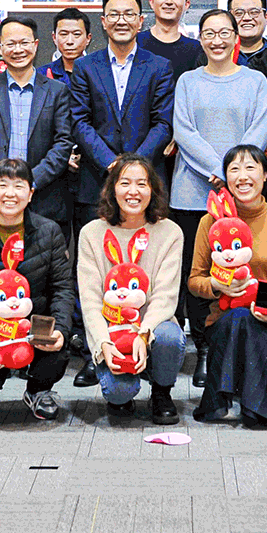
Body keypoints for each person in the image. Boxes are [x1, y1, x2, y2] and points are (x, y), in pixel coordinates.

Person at [170, 9, 267, 384]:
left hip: (241, 191)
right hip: (192, 191)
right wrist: (219, 168)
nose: (217, 40)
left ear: (235, 37)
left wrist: (233, 173)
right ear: (200, 38)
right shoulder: (187, 81)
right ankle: (204, 348)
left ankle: (238, 345)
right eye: (209, 33)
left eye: (224, 32)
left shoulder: (255, 80)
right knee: (200, 272)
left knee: (242, 268)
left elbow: (257, 130)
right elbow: (183, 130)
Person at [190, 145, 267, 428]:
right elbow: (194, 281)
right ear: (226, 178)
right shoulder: (211, 221)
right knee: (240, 317)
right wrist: (216, 286)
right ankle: (253, 405)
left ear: (265, 175)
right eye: (234, 169)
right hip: (224, 323)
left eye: (250, 168)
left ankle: (224, 399)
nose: (242, 176)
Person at [70, 0, 175, 291]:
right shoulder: (85, 66)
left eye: (129, 14)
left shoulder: (159, 66)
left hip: (146, 184)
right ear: (103, 21)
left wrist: (133, 168)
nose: (121, 20)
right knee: (95, 267)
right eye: (114, 14)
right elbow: (79, 121)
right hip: (96, 181)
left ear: (140, 21)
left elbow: (163, 123)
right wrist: (111, 163)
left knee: (147, 265)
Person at [0, 159, 76, 419]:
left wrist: (61, 330)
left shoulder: (50, 232)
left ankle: (38, 390)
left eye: (19, 186)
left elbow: (62, 289)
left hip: (34, 329)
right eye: (3, 185)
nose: (10, 193)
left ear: (31, 193)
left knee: (57, 354)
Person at [76, 155, 184, 422]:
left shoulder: (170, 232)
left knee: (170, 337)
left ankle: (161, 392)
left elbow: (165, 297)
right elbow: (90, 301)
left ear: (153, 190)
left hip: (152, 327)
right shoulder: (91, 233)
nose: (133, 191)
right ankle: (122, 390)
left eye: (141, 184)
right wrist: (103, 343)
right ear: (112, 189)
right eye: (125, 183)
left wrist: (143, 334)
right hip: (111, 330)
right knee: (119, 393)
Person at [0, 17, 75, 224]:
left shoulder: (57, 91)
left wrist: (31, 181)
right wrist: (1, 181)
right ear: (0, 48)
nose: (18, 50)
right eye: (11, 44)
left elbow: (63, 142)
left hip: (44, 200)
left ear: (36, 45)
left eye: (24, 43)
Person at [138, 0, 204, 81]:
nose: (169, 1)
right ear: (152, 2)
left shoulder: (196, 50)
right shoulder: (135, 44)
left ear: (186, 4)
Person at [228, 0, 267, 76]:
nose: (247, 18)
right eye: (239, 13)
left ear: (266, 18)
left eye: (254, 12)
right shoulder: (217, 57)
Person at [41, 7, 92, 84]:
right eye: (64, 34)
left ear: (88, 38)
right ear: (54, 38)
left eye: (76, 34)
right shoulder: (41, 75)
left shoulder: (99, 73)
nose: (70, 41)